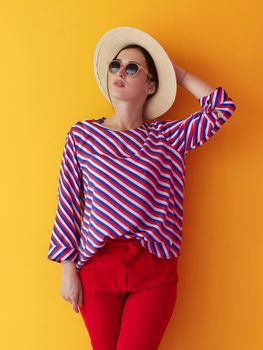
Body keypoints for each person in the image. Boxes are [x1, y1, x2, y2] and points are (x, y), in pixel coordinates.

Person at [47, 26, 237, 350]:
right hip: (97, 267)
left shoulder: (168, 137)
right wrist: (68, 269)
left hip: (154, 268)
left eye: (132, 67)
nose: (120, 71)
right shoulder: (81, 136)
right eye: (115, 65)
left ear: (150, 84)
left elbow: (221, 108)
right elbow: (68, 202)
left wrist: (175, 72)